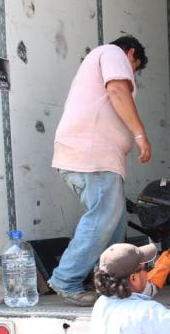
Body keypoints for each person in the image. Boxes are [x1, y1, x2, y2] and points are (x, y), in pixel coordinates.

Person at [48, 35, 153, 306]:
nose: (133, 75)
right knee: (103, 216)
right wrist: (140, 135)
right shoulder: (112, 53)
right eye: (136, 67)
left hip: (93, 156)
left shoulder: (100, 60)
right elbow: (118, 91)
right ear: (131, 54)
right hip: (91, 154)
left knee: (113, 224)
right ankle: (66, 278)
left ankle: (109, 283)